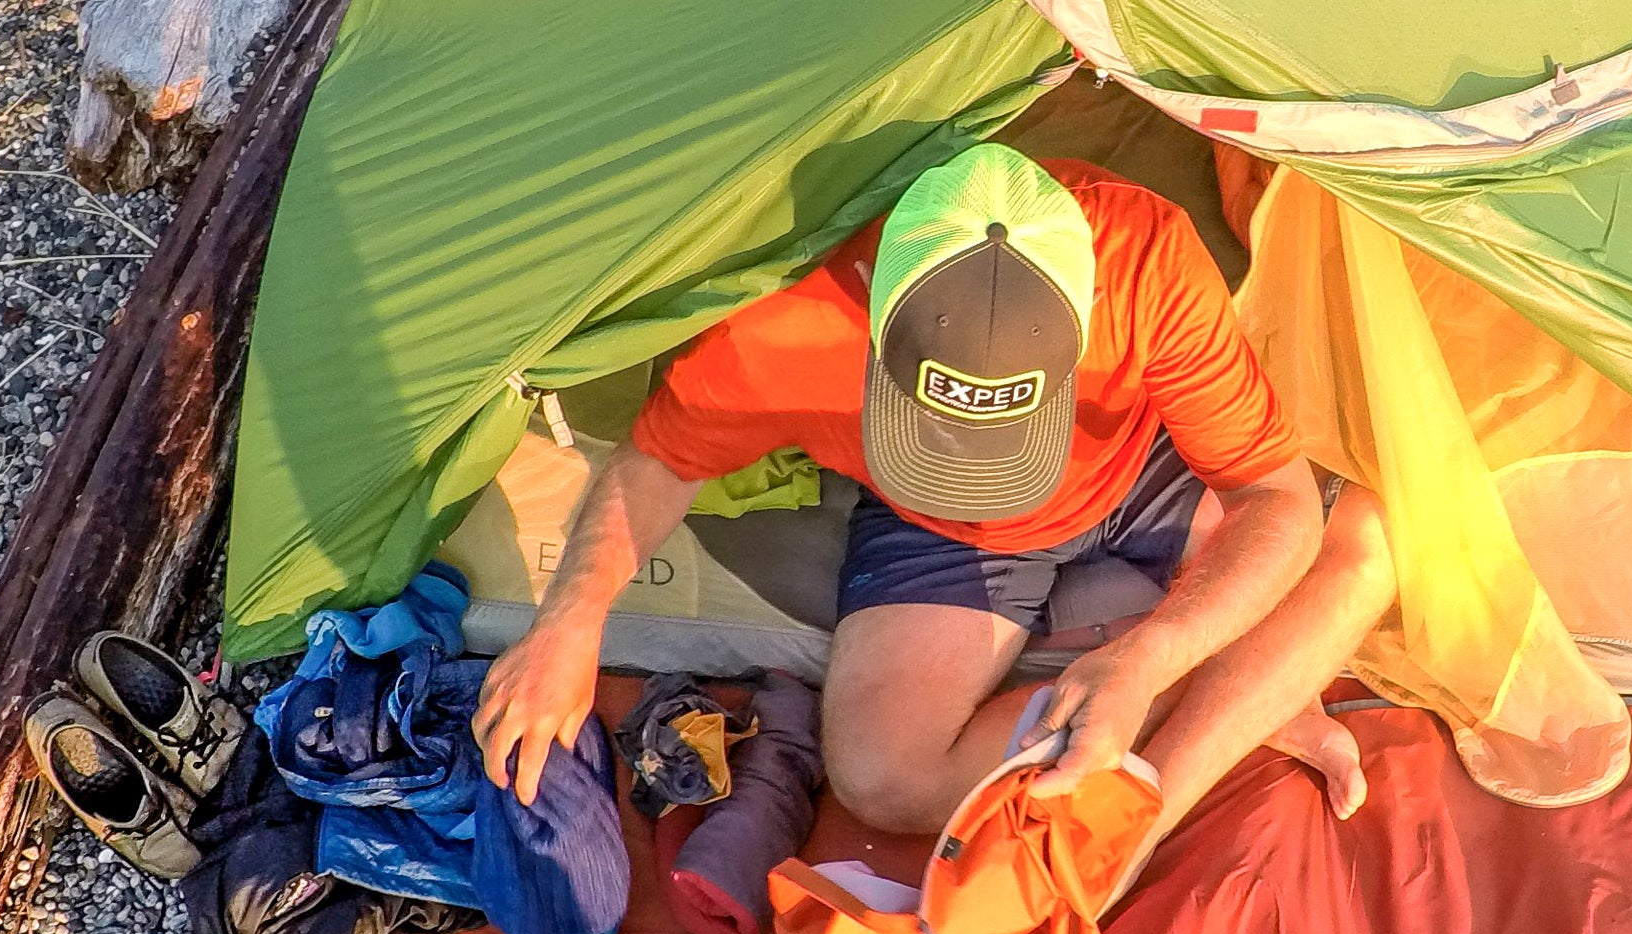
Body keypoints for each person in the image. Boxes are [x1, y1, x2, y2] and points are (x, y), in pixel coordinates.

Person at [473, 143, 1393, 840]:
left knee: (1369, 543)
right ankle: (1256, 689)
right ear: (874, 299)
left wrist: (1148, 662)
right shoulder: (789, 317)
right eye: (940, 437)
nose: (985, 477)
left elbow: (1270, 493)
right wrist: (569, 625)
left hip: (1143, 465)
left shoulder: (1144, 257)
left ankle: (1152, 810)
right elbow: (660, 459)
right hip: (940, 534)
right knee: (883, 779)